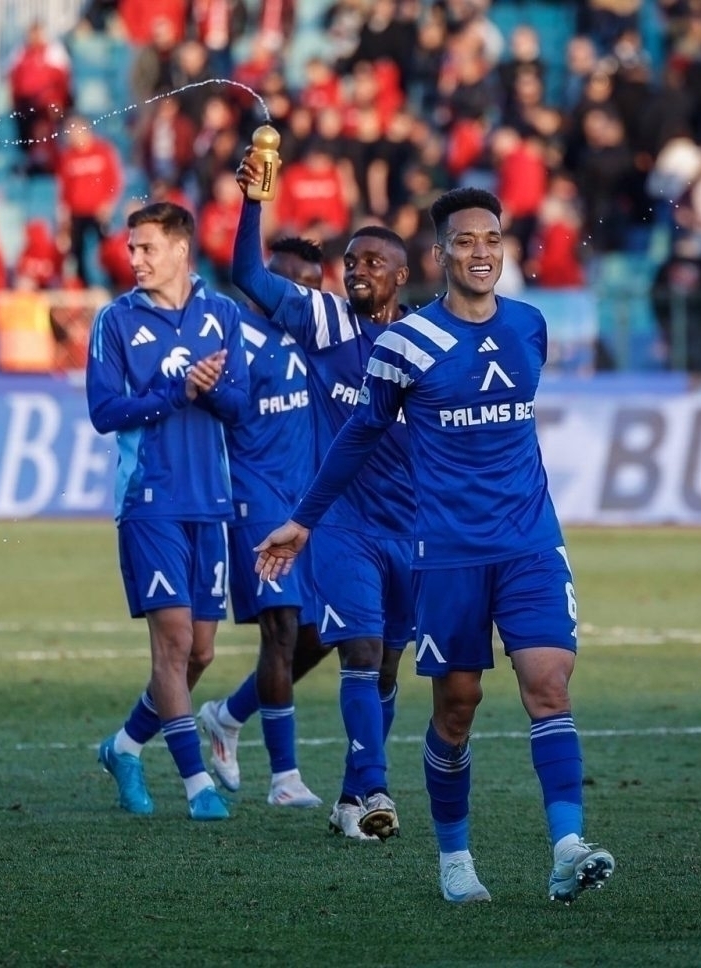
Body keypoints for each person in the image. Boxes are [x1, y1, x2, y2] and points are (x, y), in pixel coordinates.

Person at [256, 187, 616, 905]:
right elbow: (360, 433)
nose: (482, 252)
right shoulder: (405, 345)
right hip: (448, 553)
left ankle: (567, 846)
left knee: (549, 684)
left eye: (493, 239)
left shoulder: (530, 326)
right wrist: (304, 519)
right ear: (440, 253)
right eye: (466, 240)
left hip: (529, 543)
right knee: (457, 707)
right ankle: (455, 859)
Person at [229, 151, 416, 842]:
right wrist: (254, 200)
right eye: (352, 261)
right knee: (360, 652)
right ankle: (375, 788)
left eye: (373, 262)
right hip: (341, 522)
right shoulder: (325, 321)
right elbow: (249, 275)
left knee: (389, 665)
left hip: (412, 527)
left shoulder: (427, 339)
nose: (357, 270)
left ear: (400, 275)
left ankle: (348, 796)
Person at [86, 201, 248, 822]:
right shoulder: (115, 320)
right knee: (175, 641)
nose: (134, 258)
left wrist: (210, 388)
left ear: (181, 249)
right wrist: (176, 391)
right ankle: (196, 784)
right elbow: (104, 411)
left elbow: (239, 406)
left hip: (211, 500)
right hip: (149, 500)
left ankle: (125, 747)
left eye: (146, 247)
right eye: (132, 248)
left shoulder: (222, 314)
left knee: (200, 652)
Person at [195, 237, 329, 809]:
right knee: (280, 630)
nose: (304, 296)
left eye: (314, 287)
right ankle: (284, 778)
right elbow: (214, 403)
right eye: (294, 284)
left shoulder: (317, 334)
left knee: (323, 634)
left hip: (309, 503)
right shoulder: (234, 335)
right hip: (256, 499)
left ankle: (228, 715)